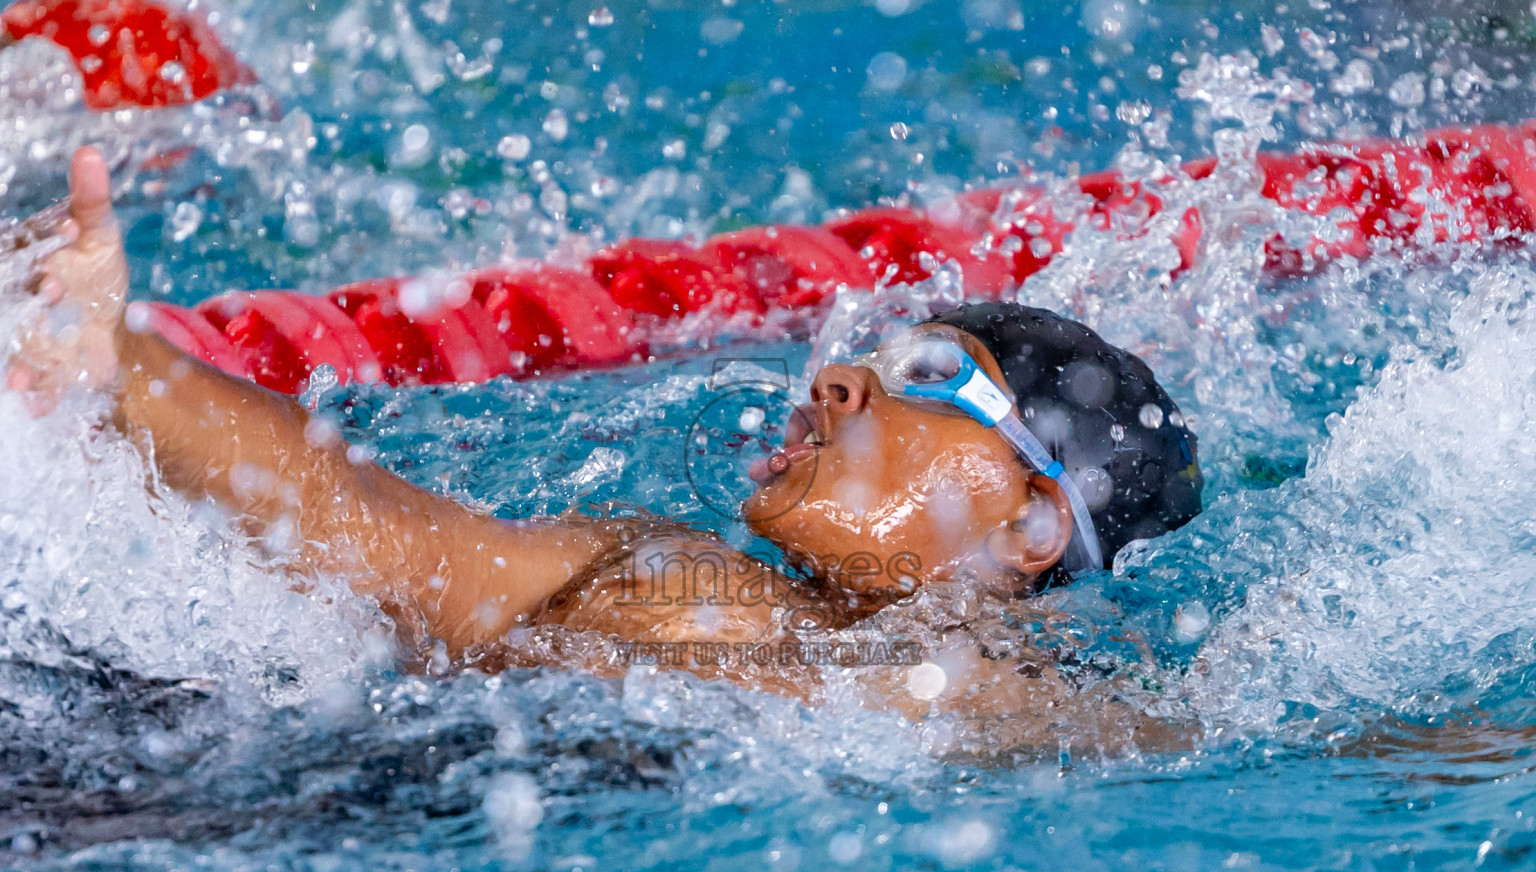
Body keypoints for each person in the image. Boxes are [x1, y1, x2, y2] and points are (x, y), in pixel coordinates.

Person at [8, 147, 1205, 756]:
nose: (838, 378)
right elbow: (348, 516)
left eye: (929, 382)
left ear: (1033, 522)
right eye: (873, 358)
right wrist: (115, 357)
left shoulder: (1040, 712)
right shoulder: (651, 561)